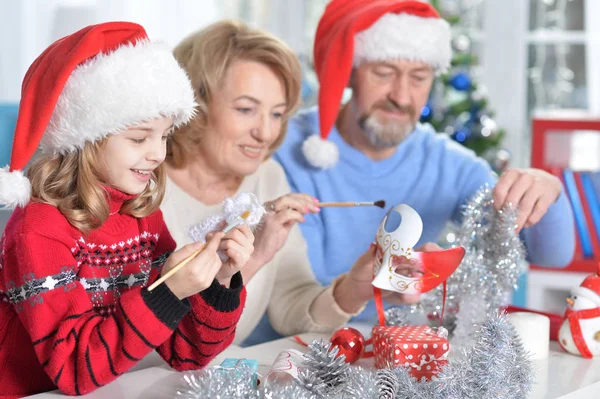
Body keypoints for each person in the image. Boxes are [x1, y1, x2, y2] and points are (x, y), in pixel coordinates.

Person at [274, 0, 576, 322]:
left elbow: (549, 255)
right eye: (383, 72)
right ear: (348, 71)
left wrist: (547, 190)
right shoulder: (281, 145)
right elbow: (289, 298)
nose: (402, 96)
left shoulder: (449, 164)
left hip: (394, 357)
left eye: (419, 77)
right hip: (284, 352)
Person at [0, 22, 254, 398]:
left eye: (164, 135)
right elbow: (72, 368)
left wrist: (220, 281)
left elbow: (188, 354)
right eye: (139, 137)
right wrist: (166, 292)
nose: (158, 153)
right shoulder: (37, 231)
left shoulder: (141, 216)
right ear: (86, 139)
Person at [162, 20, 416, 346]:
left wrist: (354, 289)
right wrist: (252, 262)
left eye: (277, 114)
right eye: (246, 109)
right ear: (195, 105)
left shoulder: (267, 178)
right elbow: (148, 342)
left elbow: (289, 305)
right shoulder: (140, 182)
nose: (266, 133)